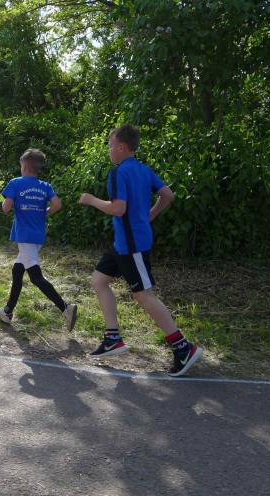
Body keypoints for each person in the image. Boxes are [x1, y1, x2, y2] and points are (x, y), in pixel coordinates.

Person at [78, 125, 202, 376]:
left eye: (111, 146)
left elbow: (118, 208)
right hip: (123, 243)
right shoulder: (144, 169)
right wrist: (150, 215)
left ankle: (182, 347)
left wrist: (91, 200)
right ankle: (113, 338)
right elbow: (167, 195)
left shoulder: (119, 172)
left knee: (144, 295)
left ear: (122, 147)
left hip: (131, 245)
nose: (109, 150)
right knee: (99, 280)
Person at [0, 149, 78, 331]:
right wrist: (44, 213)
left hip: (25, 235)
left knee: (36, 277)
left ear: (23, 166)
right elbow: (57, 204)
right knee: (17, 270)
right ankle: (7, 311)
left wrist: (7, 202)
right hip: (38, 235)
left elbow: (6, 208)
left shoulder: (15, 183)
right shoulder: (45, 185)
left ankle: (65, 308)